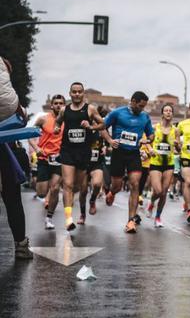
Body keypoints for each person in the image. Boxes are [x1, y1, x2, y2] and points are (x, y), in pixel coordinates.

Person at [101, 91, 155, 233]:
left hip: (134, 154)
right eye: (140, 106)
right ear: (132, 101)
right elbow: (102, 127)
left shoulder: (145, 117)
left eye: (144, 107)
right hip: (119, 153)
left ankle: (131, 221)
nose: (142, 109)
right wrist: (110, 140)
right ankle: (112, 193)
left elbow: (151, 134)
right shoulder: (118, 113)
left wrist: (148, 140)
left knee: (135, 184)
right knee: (117, 186)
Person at [55, 82, 105, 230]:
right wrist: (57, 128)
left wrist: (90, 126)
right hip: (67, 151)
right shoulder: (64, 110)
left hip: (83, 153)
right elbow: (58, 123)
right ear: (70, 94)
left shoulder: (89, 109)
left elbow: (102, 124)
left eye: (79, 92)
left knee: (79, 187)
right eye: (74, 92)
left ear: (83, 94)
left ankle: (83, 207)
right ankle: (69, 218)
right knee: (68, 185)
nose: (77, 94)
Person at [0, 56, 32, 259]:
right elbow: (21, 117)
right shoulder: (3, 63)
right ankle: (21, 244)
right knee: (12, 198)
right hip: (4, 150)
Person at [29, 95, 65, 230]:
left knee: (55, 189)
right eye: (56, 103)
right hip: (44, 159)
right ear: (51, 105)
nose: (58, 105)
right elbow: (29, 134)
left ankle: (49, 217)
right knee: (41, 192)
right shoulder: (43, 119)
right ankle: (44, 196)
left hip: (59, 159)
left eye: (61, 103)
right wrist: (36, 148)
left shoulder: (67, 120)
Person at [146, 103, 176, 228]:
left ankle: (158, 216)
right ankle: (152, 202)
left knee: (163, 192)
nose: (168, 112)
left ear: (172, 114)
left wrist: (177, 144)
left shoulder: (176, 130)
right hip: (156, 162)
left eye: (170, 111)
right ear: (162, 113)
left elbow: (178, 147)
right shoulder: (154, 128)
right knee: (157, 190)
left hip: (169, 163)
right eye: (166, 110)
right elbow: (147, 141)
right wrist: (149, 149)